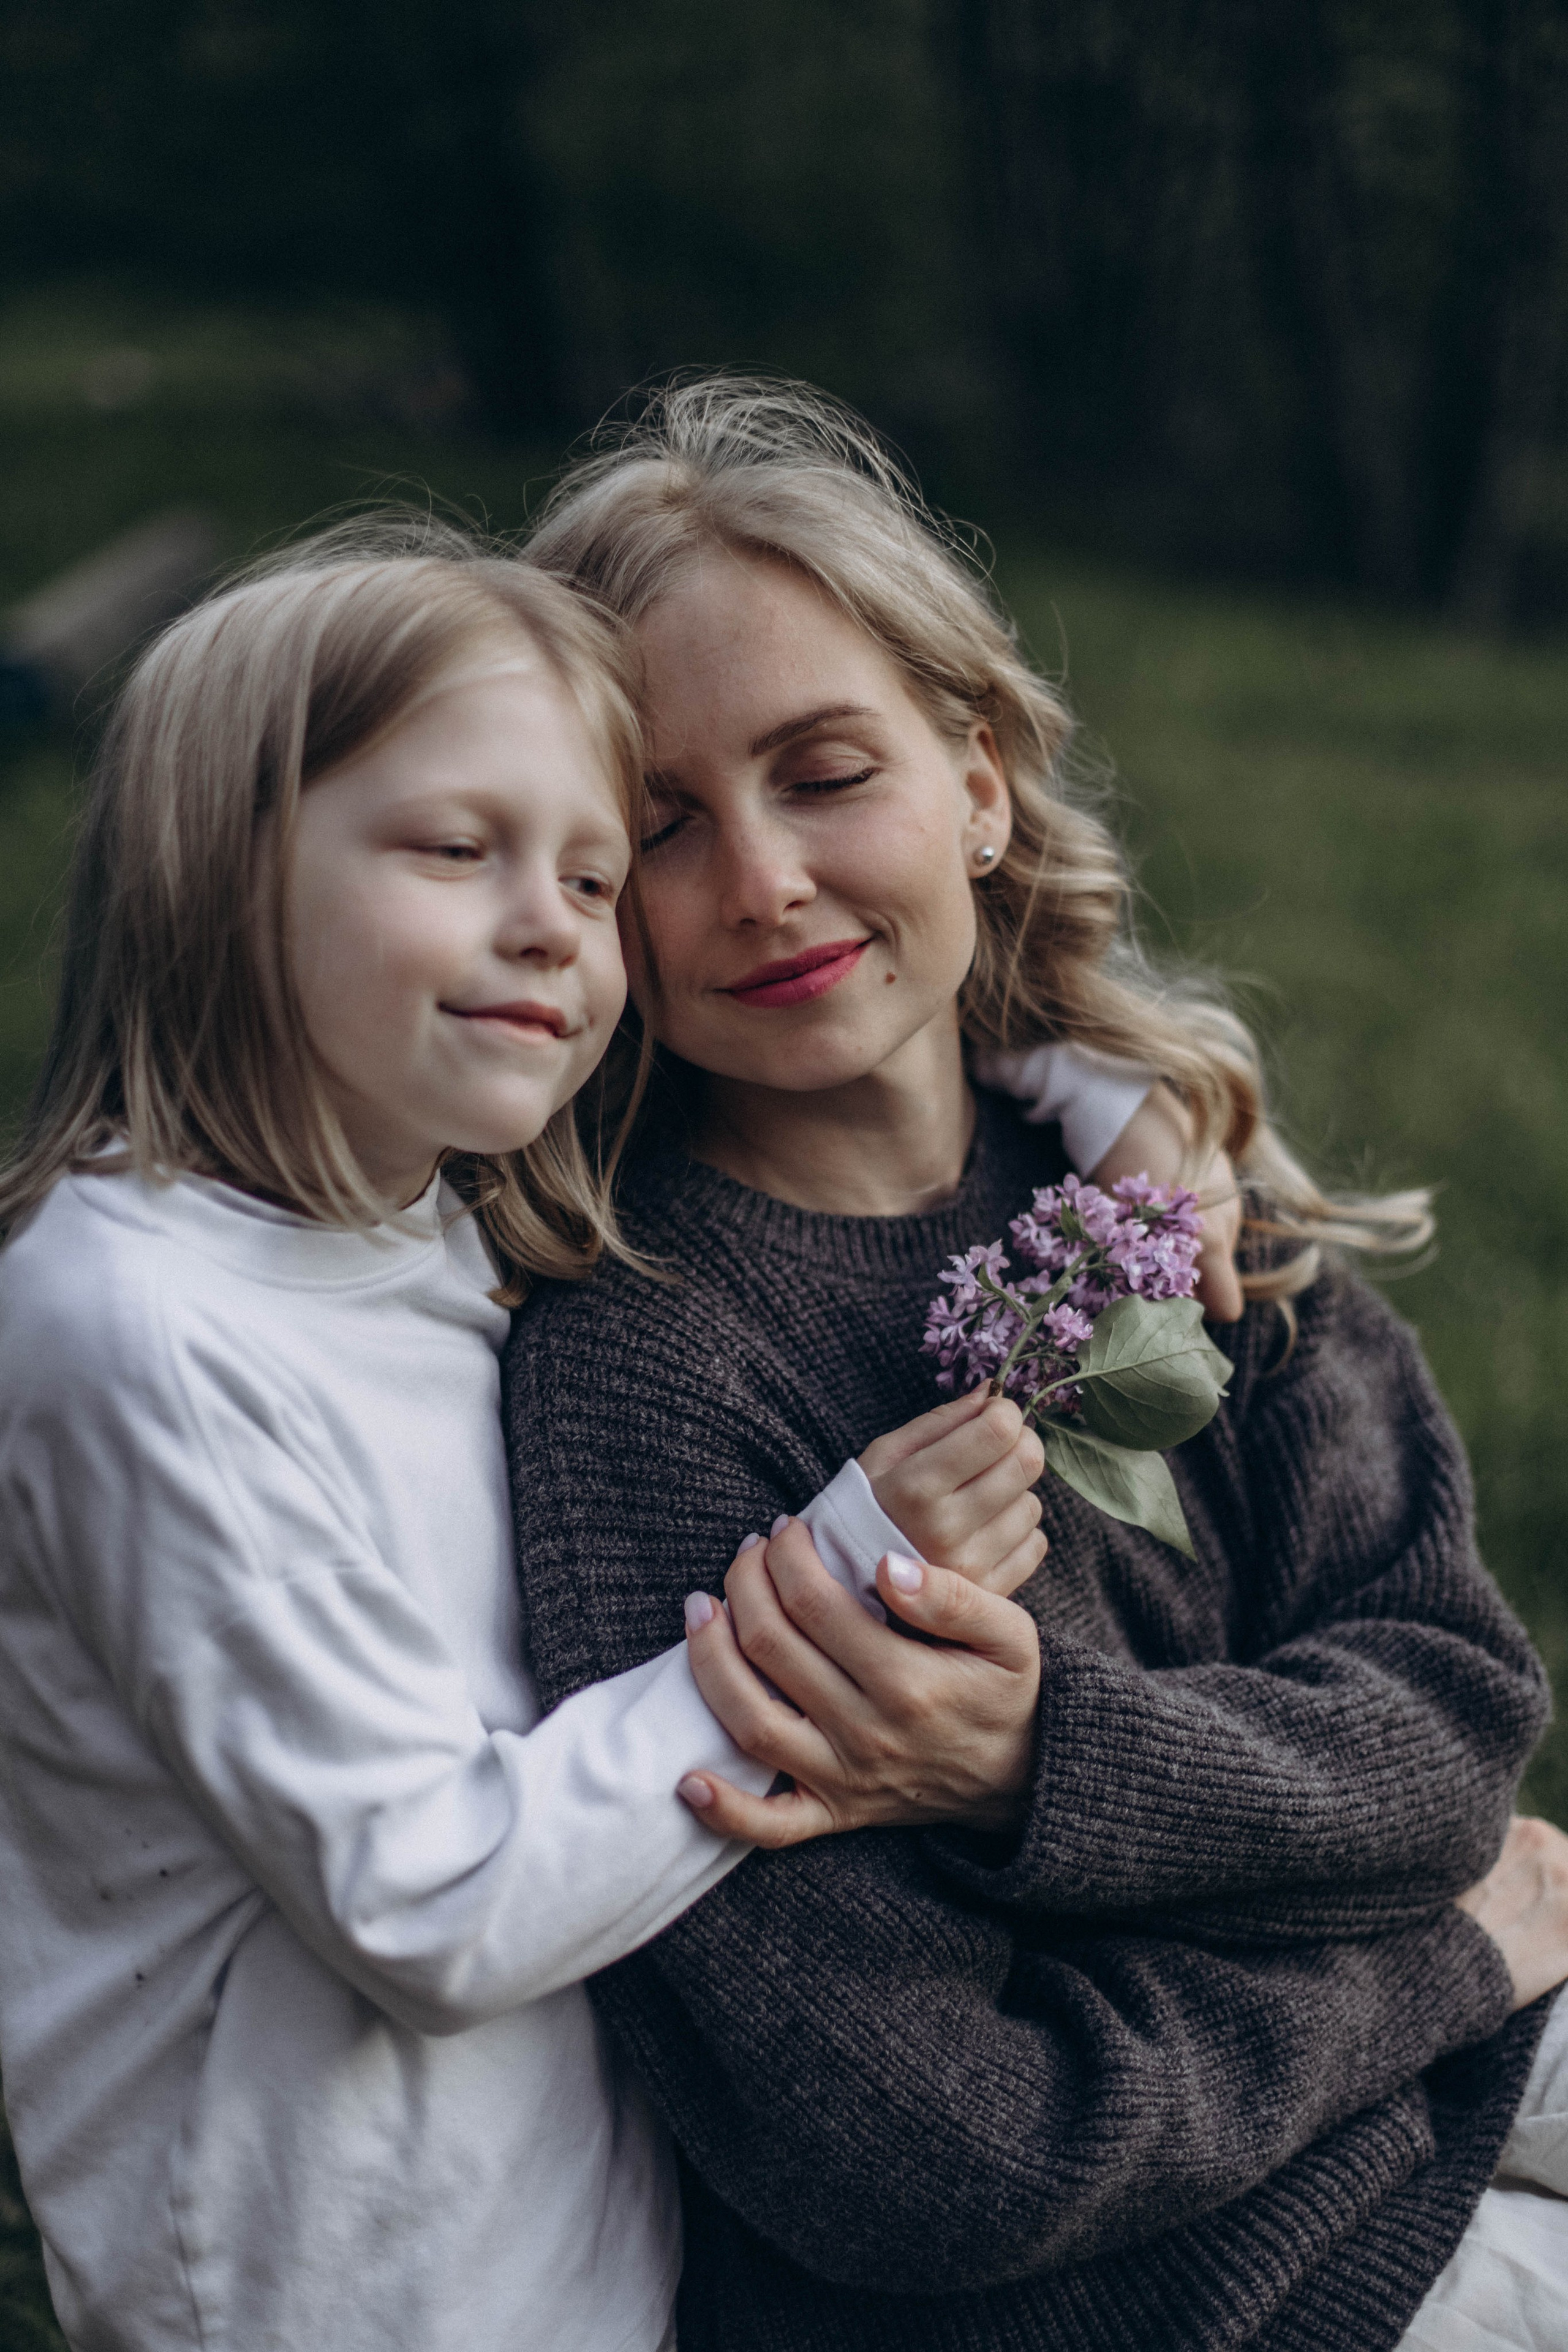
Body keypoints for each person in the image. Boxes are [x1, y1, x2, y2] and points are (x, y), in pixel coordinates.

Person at [506, 377, 1568, 2351]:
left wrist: (1040, 1763)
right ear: (576, 897)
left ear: (980, 783)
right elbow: (943, 2156)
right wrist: (1452, 1968)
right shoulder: (647, 1384)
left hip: (1385, 2098)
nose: (762, 883)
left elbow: (1448, 1737)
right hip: (1195, 2287)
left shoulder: (1162, 1204)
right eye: (656, 828)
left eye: (828, 773)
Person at [0, 517, 1106, 2352]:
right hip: (331, 2292)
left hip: (582, 2261)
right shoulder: (140, 1330)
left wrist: (1118, 1098)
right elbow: (427, 1899)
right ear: (218, 873)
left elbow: (910, 1018)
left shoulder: (428, 1217)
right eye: (458, 849)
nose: (551, 925)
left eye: (599, 881)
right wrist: (842, 1581)